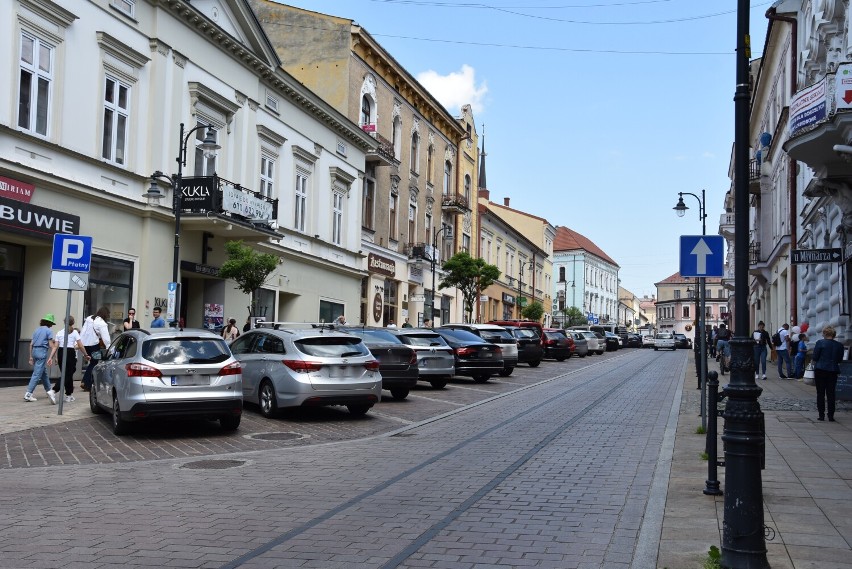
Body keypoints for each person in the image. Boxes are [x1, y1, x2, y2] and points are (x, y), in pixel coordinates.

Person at [49, 316, 87, 402]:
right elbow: (80, 345)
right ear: (73, 323)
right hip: (70, 352)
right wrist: (86, 354)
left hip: (61, 352)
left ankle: (69, 395)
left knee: (67, 374)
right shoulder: (74, 333)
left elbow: (55, 346)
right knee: (67, 374)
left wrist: (50, 357)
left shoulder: (59, 332)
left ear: (64, 322)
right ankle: (54, 390)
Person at [811, 325, 845, 421]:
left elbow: (815, 357)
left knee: (820, 393)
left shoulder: (820, 343)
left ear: (824, 334)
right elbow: (839, 359)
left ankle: (821, 415)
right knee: (831, 393)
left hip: (820, 370)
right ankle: (831, 415)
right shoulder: (839, 345)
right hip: (833, 370)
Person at [25, 313, 58, 403]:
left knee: (43, 373)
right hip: (42, 352)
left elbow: (31, 344)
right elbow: (52, 346)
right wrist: (54, 357)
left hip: (34, 351)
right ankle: (28, 394)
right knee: (37, 374)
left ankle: (49, 391)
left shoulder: (36, 330)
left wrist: (31, 357)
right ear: (50, 323)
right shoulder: (49, 331)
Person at [80, 306, 111, 392]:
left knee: (91, 362)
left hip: (84, 345)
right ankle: (86, 382)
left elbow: (83, 331)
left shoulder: (89, 318)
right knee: (94, 363)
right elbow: (106, 337)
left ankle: (86, 381)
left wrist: (79, 343)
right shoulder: (101, 323)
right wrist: (109, 347)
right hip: (93, 345)